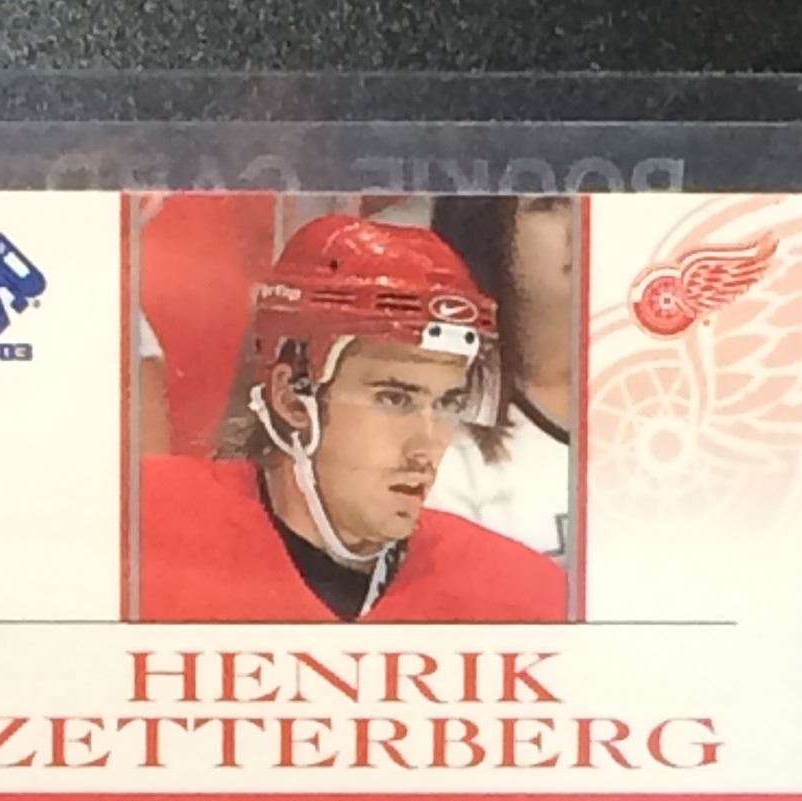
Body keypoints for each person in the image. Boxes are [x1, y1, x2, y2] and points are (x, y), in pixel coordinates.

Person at [137, 213, 568, 622]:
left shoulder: (519, 593)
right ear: (291, 397)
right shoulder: (144, 526)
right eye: (394, 398)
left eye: (446, 403)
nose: (426, 446)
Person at [426, 197, 574, 560]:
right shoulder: (443, 439)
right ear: (486, 232)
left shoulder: (686, 398)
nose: (584, 221)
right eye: (549, 204)